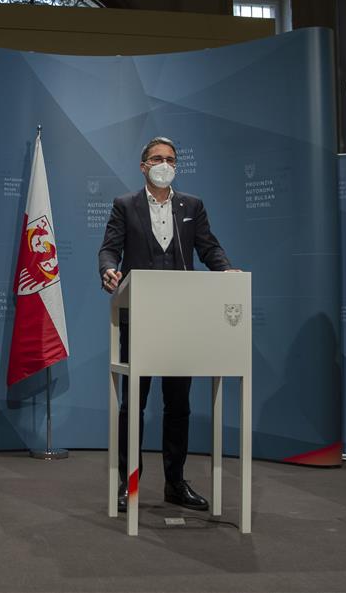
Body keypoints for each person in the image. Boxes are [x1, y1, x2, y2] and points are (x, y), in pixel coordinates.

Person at [97, 136, 239, 513]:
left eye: (171, 159)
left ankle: (175, 483)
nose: (165, 164)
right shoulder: (124, 205)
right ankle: (129, 482)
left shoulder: (191, 206)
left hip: (181, 318)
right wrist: (108, 269)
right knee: (134, 404)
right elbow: (110, 248)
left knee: (178, 405)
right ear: (143, 166)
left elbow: (208, 247)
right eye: (157, 158)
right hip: (138, 316)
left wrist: (226, 270)